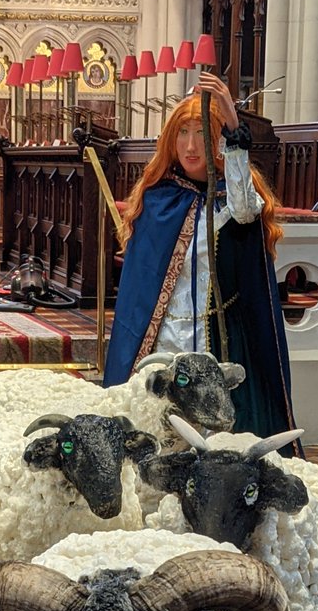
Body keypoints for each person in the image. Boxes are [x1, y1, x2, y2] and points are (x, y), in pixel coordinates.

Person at [104, 72, 299, 452]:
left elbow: (246, 212)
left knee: (213, 435)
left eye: (202, 134)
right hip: (163, 336)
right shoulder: (160, 199)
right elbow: (141, 287)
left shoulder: (234, 197)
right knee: (160, 427)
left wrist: (233, 125)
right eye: (183, 133)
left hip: (217, 337)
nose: (191, 146)